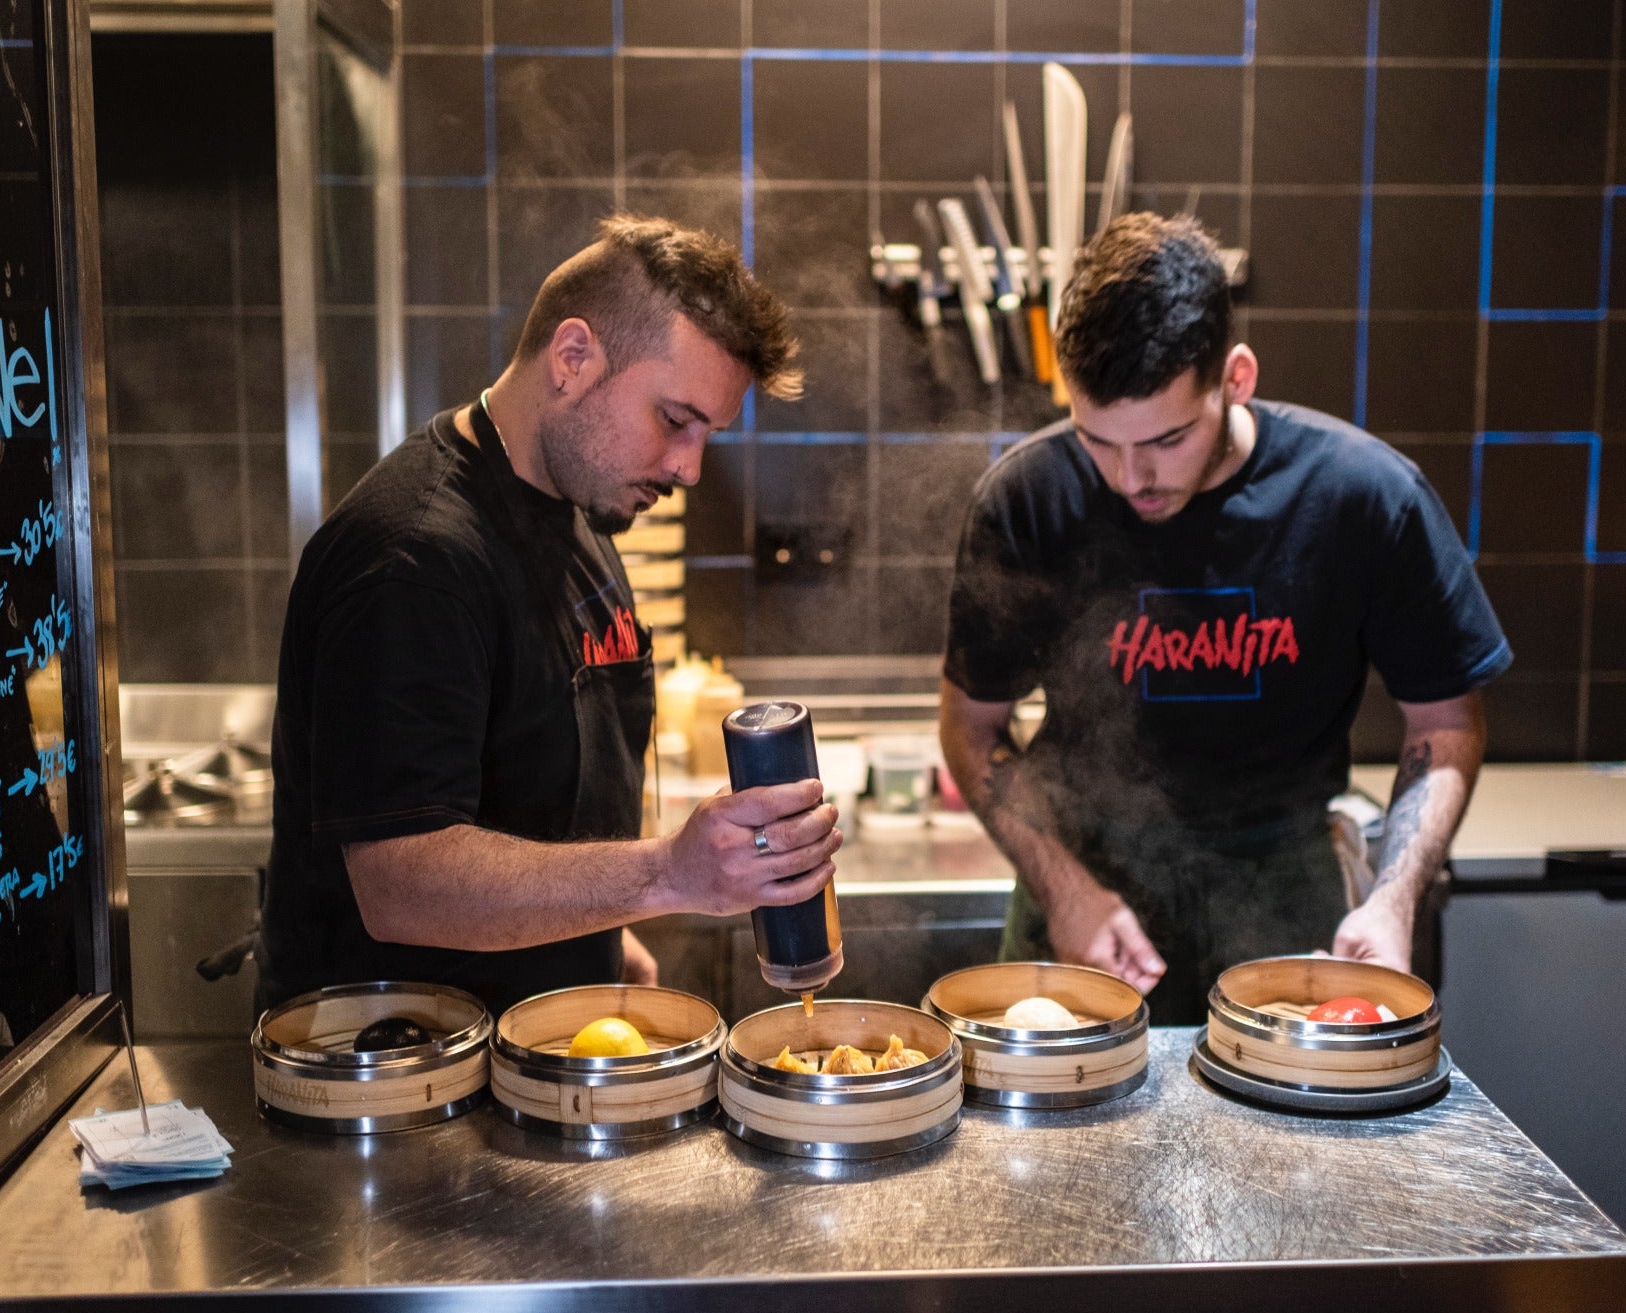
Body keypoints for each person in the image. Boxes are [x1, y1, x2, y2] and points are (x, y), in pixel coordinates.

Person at [256, 216, 840, 1016]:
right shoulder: (412, 558)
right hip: (399, 1084)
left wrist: (601, 938)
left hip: (536, 1055)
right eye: (674, 419)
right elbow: (401, 884)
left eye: (708, 433)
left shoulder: (577, 520)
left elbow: (541, 785)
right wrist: (667, 873)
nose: (689, 467)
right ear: (573, 359)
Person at [939, 213, 1511, 1025]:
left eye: (1167, 439)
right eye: (1097, 439)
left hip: (1285, 893)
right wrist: (1066, 889)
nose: (1131, 477)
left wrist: (1392, 896)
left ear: (1235, 377)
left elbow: (1446, 720)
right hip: (1079, 888)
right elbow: (970, 725)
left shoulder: (1364, 498)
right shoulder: (1030, 500)